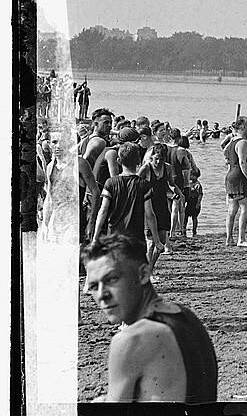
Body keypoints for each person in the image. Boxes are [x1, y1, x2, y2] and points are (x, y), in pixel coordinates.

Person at [81, 233, 217, 402]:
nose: (102, 295)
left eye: (112, 279)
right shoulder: (186, 316)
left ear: (144, 274)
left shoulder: (132, 339)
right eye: (94, 286)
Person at [90, 142, 161, 256]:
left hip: (114, 238)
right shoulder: (144, 185)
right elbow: (150, 215)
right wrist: (157, 241)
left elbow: (103, 211)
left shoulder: (110, 183)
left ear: (118, 161)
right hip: (136, 239)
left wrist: (95, 238)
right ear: (138, 161)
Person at [140, 142, 176, 279]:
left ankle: (150, 270)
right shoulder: (146, 169)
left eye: (161, 158)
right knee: (150, 242)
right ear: (151, 156)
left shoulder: (167, 169)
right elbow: (135, 184)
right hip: (148, 208)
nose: (158, 161)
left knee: (160, 243)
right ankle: (147, 274)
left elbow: (169, 187)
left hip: (162, 207)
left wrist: (174, 194)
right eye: (156, 158)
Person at [223, 117, 247, 247]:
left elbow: (226, 156)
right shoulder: (242, 142)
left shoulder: (231, 142)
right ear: (242, 127)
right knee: (245, 208)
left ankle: (229, 238)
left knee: (232, 210)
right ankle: (241, 239)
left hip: (230, 176)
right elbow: (242, 162)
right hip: (239, 177)